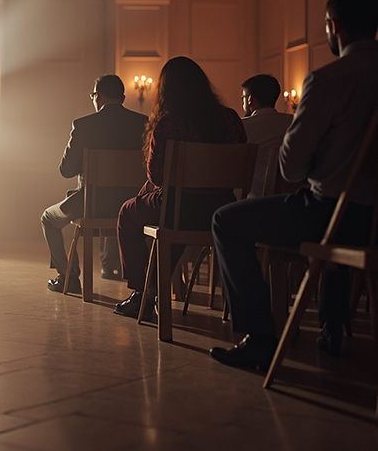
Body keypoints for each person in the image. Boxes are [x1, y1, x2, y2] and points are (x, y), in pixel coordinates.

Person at [210, 0, 378, 369]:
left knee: (226, 222)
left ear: (333, 26)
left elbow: (292, 166)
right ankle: (332, 327)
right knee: (333, 225)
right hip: (373, 221)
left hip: (333, 213)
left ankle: (261, 337)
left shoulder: (328, 81)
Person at [113, 56, 246, 318]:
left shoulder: (169, 123)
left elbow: (156, 176)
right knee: (168, 225)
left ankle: (141, 293)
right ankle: (151, 290)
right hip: (222, 210)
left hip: (178, 208)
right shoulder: (230, 119)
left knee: (127, 214)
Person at [42, 75, 148, 292]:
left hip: (93, 204)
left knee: (48, 219)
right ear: (123, 97)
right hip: (134, 206)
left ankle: (69, 276)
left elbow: (66, 170)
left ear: (97, 96)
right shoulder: (143, 124)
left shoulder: (83, 125)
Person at [240, 74, 293, 198]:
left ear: (250, 99)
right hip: (287, 197)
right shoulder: (292, 122)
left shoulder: (241, 126)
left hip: (250, 199)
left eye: (243, 97)